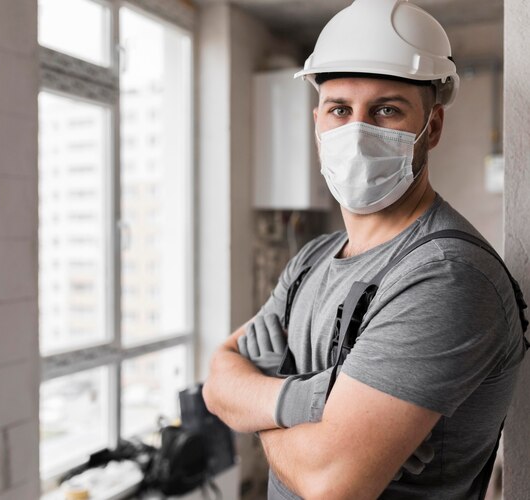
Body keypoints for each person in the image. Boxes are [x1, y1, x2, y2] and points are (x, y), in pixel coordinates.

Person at [202, 0, 528, 498]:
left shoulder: (446, 276)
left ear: (432, 127)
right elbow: (218, 379)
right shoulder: (312, 258)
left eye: (386, 109)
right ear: (317, 125)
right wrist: (310, 402)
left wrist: (259, 407)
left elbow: (329, 483)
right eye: (339, 110)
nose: (357, 132)